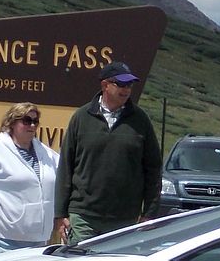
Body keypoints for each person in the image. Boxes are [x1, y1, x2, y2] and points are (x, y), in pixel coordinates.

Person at [53, 61, 161, 245]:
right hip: (83, 216)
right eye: (121, 84)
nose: (126, 90)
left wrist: (149, 214)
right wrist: (60, 213)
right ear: (105, 85)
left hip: (125, 219)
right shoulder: (81, 117)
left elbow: (153, 169)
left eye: (130, 85)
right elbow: (66, 167)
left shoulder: (141, 120)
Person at [0, 102, 59, 255]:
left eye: (35, 121)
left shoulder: (46, 153)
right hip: (2, 239)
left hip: (38, 239)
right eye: (26, 121)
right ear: (12, 122)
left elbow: (62, 176)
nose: (31, 125)